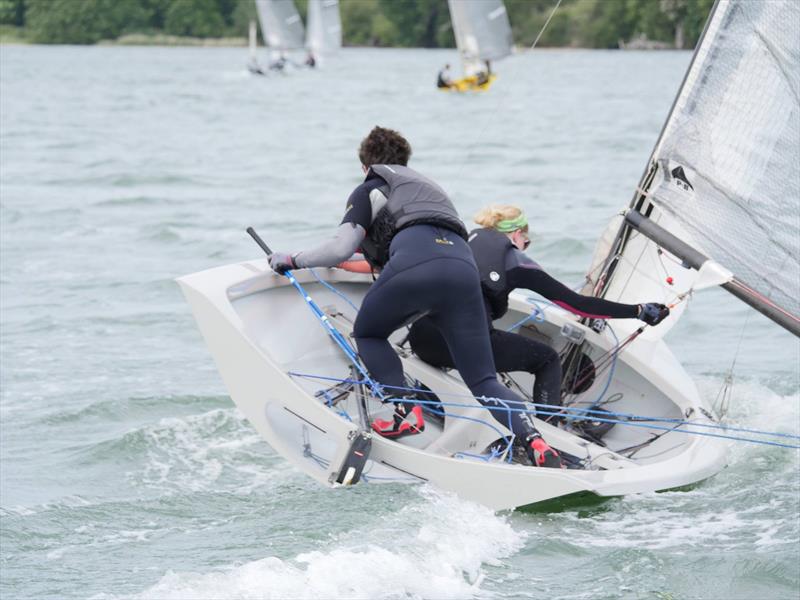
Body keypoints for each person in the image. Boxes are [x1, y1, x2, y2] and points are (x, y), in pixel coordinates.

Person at [268, 127, 563, 468]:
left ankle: (406, 412)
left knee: (369, 332)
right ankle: (535, 440)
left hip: (417, 268)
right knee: (483, 379)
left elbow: (339, 248)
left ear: (366, 165)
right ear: (405, 162)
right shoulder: (430, 189)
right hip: (463, 272)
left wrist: (292, 259)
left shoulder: (370, 188)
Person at [407, 204, 670, 420]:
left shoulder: (463, 241)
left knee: (452, 323)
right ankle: (549, 430)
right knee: (546, 359)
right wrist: (638, 311)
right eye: (526, 241)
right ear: (517, 235)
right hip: (464, 349)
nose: (524, 246)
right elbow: (578, 305)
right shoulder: (516, 261)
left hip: (421, 339)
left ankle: (426, 398)